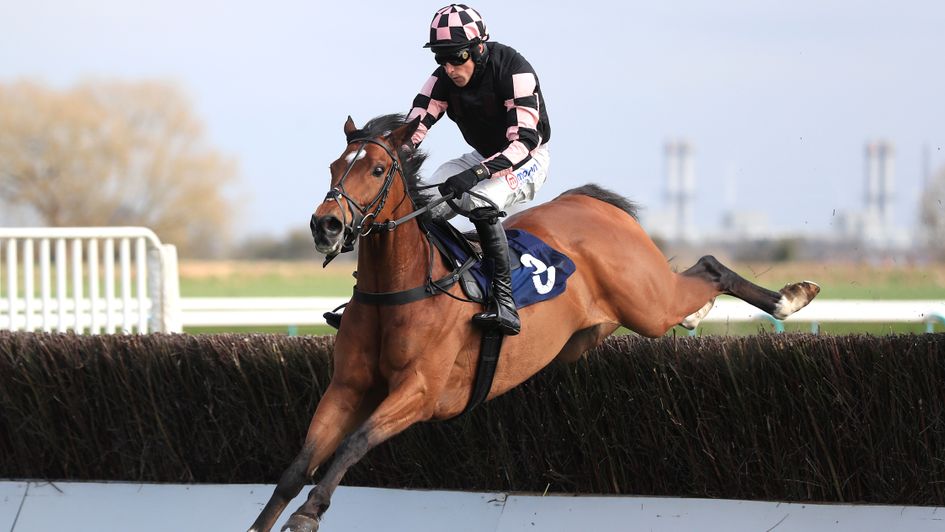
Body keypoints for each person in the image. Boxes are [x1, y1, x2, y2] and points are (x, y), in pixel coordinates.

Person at [406, 4, 551, 336]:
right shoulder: (443, 77)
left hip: (527, 158)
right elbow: (413, 127)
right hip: (482, 157)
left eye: (456, 57)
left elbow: (524, 141)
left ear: (479, 48)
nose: (449, 68)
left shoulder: (514, 69)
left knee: (480, 202)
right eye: (440, 58)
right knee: (418, 203)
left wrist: (476, 174)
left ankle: (505, 302)